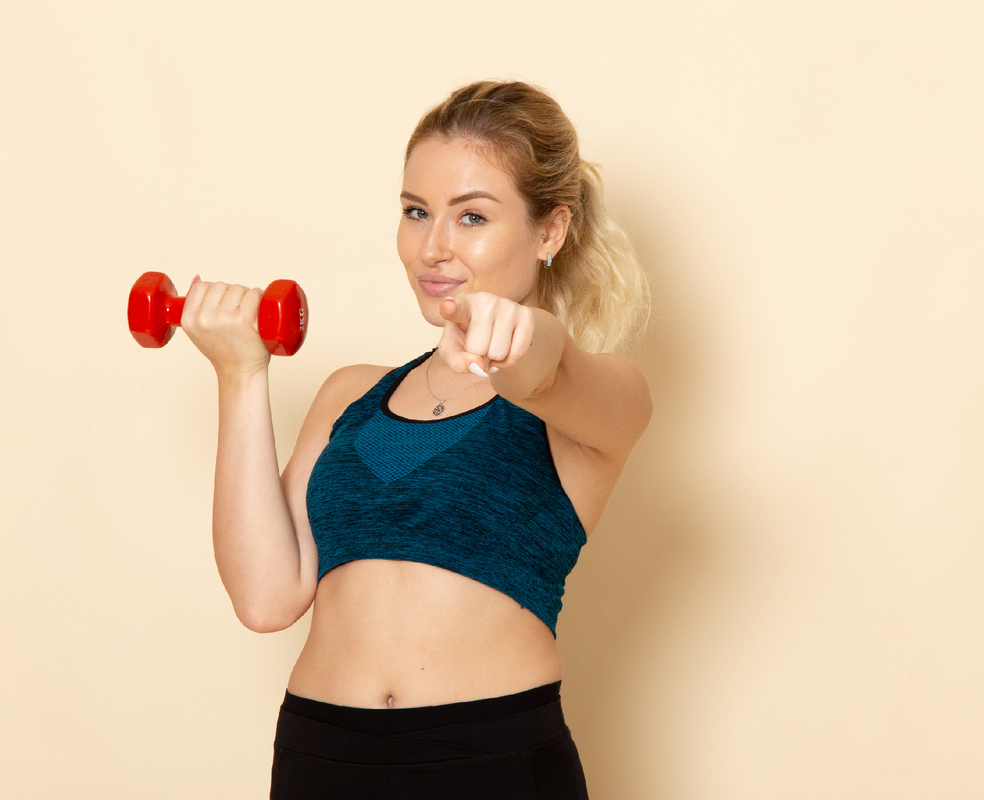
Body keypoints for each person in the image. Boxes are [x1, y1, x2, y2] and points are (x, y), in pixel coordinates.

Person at [181, 80, 652, 799]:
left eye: (472, 217)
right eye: (416, 212)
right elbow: (265, 599)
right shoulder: (353, 397)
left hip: (489, 763)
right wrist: (240, 374)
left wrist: (525, 336)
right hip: (321, 757)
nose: (433, 248)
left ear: (549, 232)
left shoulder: (598, 401)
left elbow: (541, 371)